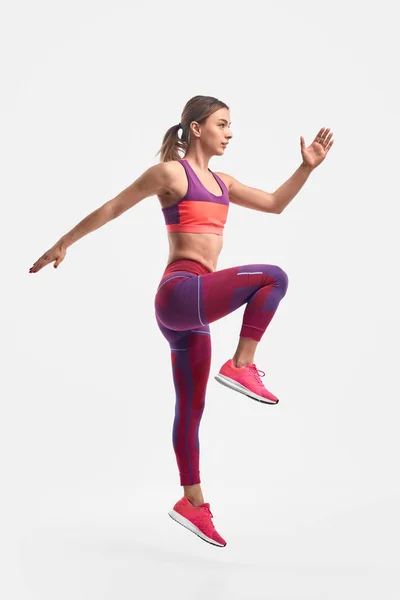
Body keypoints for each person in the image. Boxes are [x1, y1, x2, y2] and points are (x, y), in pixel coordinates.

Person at [29, 95, 334, 548]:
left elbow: (274, 203)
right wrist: (63, 242)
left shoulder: (223, 183)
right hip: (180, 292)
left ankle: (191, 502)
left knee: (191, 410)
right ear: (195, 128)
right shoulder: (172, 173)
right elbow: (114, 206)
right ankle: (241, 364)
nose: (230, 132)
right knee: (273, 277)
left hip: (192, 314)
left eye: (231, 126)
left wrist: (307, 168)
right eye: (222, 124)